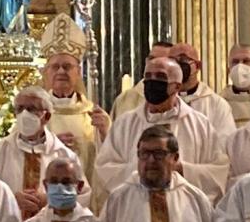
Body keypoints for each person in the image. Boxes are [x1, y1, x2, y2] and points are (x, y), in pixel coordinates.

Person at [96, 56, 229, 205]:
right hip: (136, 208)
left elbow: (218, 171)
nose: (152, 81)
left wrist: (180, 169)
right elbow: (105, 168)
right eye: (148, 76)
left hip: (183, 209)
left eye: (160, 76)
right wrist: (145, 169)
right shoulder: (125, 123)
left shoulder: (200, 125)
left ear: (177, 86)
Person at [0, 86, 89, 217]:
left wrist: (51, 200)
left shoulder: (64, 155)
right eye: (19, 109)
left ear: (46, 116)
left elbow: (84, 196)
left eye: (31, 109)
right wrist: (11, 200)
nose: (24, 114)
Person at [38, 13, 110, 177]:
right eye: (55, 67)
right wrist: (50, 145)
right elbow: (20, 153)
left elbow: (113, 158)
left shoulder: (94, 114)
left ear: (78, 72)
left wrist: (105, 132)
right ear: (46, 72)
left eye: (67, 66)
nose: (61, 71)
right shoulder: (35, 114)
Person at [169, 42, 238, 141]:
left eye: (183, 59)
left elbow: (224, 143)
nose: (177, 64)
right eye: (172, 60)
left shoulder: (216, 104)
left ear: (198, 66)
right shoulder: (162, 101)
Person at [111, 40, 177, 119]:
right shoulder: (125, 99)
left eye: (161, 61)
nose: (154, 63)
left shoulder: (177, 97)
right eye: (151, 59)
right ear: (146, 61)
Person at [220, 43, 250, 128]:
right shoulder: (218, 103)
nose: (240, 66)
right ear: (228, 70)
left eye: (246, 61)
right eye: (235, 62)